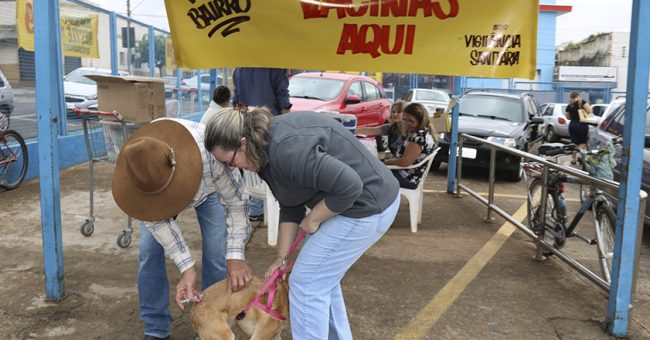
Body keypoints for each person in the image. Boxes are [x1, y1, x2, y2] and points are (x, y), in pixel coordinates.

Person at [204, 107, 400, 339]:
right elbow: (290, 204)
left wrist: (315, 217)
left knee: (306, 283)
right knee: (321, 279)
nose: (231, 168)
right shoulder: (260, 152)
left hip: (368, 205)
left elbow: (350, 186)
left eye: (230, 161)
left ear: (243, 144)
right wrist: (282, 258)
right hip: (349, 203)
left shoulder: (287, 150)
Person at [111, 118, 252, 340]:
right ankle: (155, 329)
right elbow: (156, 222)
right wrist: (187, 268)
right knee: (148, 252)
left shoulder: (212, 156)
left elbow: (237, 203)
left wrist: (235, 255)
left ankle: (211, 325)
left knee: (217, 251)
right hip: (153, 197)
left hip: (209, 191)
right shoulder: (139, 171)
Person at [232, 67, 292, 221]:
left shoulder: (240, 68)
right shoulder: (276, 67)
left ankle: (254, 207)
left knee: (249, 162)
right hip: (270, 125)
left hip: (245, 122)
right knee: (270, 165)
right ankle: (272, 205)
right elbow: (283, 98)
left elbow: (236, 100)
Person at [383, 103, 436, 189]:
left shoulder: (419, 137)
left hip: (407, 178)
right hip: (406, 173)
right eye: (404, 120)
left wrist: (387, 162)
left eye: (411, 121)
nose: (406, 123)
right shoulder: (421, 132)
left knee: (371, 177)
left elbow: (405, 162)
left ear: (420, 122)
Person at [565, 91, 593, 164]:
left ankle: (573, 159)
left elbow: (567, 117)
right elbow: (590, 110)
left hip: (572, 125)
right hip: (582, 125)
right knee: (582, 142)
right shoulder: (582, 102)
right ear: (578, 96)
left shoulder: (569, 105)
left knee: (574, 142)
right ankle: (578, 154)